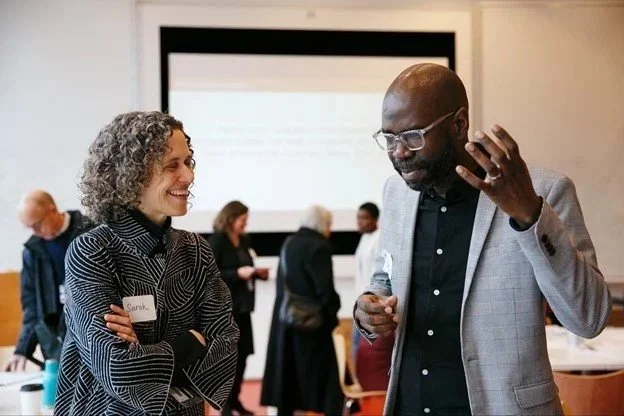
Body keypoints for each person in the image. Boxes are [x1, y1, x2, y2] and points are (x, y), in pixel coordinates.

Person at [353, 63, 612, 415]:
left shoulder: (541, 192)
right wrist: (369, 306)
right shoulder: (396, 193)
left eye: (413, 136)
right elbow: (385, 277)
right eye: (389, 139)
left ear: (459, 124)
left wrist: (531, 217)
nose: (399, 152)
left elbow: (589, 320)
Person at [54, 111, 239, 415]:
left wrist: (143, 351)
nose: (189, 176)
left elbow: (226, 341)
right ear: (131, 174)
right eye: (172, 165)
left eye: (188, 162)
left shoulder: (195, 250)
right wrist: (191, 342)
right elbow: (116, 367)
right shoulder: (92, 251)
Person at [261, 205, 343, 416]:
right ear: (322, 224)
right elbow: (324, 289)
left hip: (287, 320)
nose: (330, 230)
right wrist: (333, 311)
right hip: (313, 324)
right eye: (329, 225)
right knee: (323, 379)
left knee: (289, 379)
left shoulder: (290, 243)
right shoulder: (319, 246)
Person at [4, 190, 85, 372]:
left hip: (90, 337)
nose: (35, 232)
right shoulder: (32, 252)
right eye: (29, 228)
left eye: (37, 224)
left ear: (52, 210)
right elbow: (32, 306)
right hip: (55, 345)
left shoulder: (90, 232)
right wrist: (22, 349)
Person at [209, 200, 268, 416]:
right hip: (226, 310)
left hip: (243, 308)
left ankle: (235, 400)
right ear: (231, 218)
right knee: (228, 359)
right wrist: (236, 274)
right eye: (243, 219)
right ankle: (224, 405)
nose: (245, 224)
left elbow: (246, 265)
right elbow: (210, 274)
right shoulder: (217, 241)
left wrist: (256, 273)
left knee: (242, 355)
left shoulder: (244, 240)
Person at [352, 202, 380, 368]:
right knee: (357, 348)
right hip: (358, 303)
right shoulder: (364, 238)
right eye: (358, 218)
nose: (360, 222)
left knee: (366, 351)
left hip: (370, 303)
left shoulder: (379, 239)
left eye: (365, 218)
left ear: (375, 219)